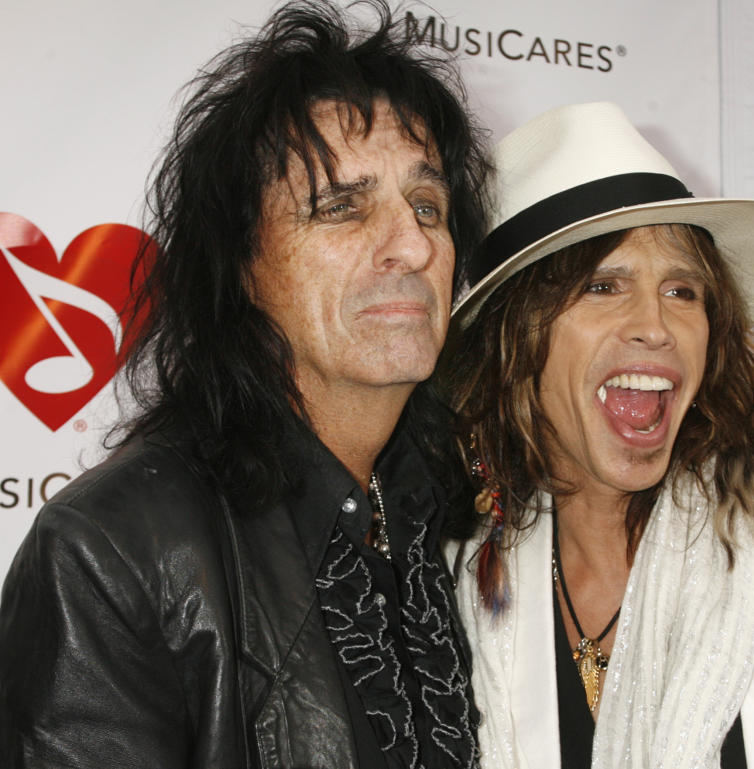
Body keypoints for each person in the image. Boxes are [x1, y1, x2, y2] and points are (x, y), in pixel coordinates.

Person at [0, 2, 489, 767]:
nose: (413, 243)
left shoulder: (452, 514)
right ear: (238, 265)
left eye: (428, 205)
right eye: (343, 207)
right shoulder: (111, 555)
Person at [443, 102, 754, 769]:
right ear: (512, 343)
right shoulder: (454, 597)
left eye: (684, 291)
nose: (656, 326)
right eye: (604, 285)